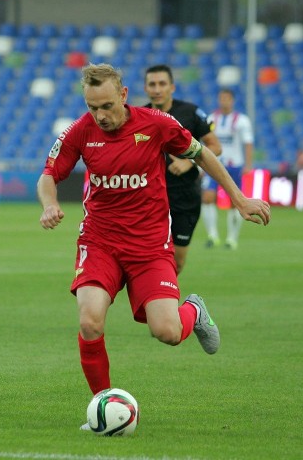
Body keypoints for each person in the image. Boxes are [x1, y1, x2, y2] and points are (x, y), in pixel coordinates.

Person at [37, 63, 270, 429]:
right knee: (90, 321)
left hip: (148, 246)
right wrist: (50, 204)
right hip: (100, 241)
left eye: (107, 106)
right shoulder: (79, 132)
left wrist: (239, 199)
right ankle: (102, 406)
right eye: (92, 107)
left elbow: (202, 154)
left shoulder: (157, 123)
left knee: (168, 332)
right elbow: (49, 174)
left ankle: (193, 311)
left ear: (124, 96)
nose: (100, 115)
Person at [143, 64, 221, 274]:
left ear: (172, 87)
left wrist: (189, 161)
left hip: (185, 197)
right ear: (146, 88)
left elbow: (215, 146)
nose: (157, 89)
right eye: (152, 84)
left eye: (162, 84)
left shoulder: (191, 112)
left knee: (177, 263)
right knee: (148, 259)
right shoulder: (140, 117)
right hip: (150, 198)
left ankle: (165, 299)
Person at [201, 88, 255, 250]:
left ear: (232, 100)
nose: (224, 101)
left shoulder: (242, 121)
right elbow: (205, 142)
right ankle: (212, 235)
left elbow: (248, 143)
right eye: (221, 98)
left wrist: (248, 164)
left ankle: (232, 238)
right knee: (208, 198)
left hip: (235, 166)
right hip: (214, 163)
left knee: (235, 202)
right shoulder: (211, 118)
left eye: (227, 98)